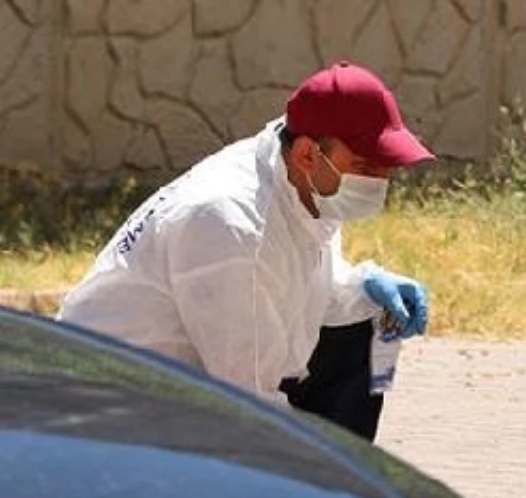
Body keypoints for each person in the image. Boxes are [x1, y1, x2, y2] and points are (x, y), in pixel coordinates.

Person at [58, 61, 435, 443]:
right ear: (307, 154)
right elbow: (249, 403)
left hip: (184, 378)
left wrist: (361, 284)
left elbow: (298, 274)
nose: (380, 181)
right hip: (111, 413)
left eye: (386, 167)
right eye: (365, 165)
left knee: (367, 320)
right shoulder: (231, 228)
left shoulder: (300, 181)